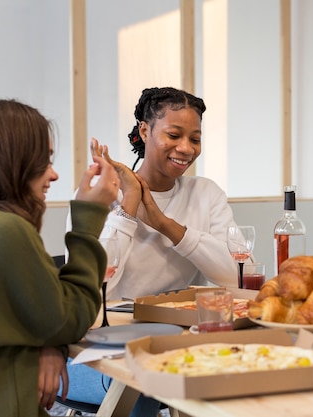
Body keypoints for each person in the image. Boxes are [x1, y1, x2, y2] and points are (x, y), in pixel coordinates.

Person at [62, 86, 240, 414]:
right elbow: (95, 287)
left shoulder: (206, 194)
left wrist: (163, 223)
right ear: (145, 130)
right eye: (174, 134)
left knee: (233, 374)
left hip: (171, 345)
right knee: (148, 383)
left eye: (195, 139)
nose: (185, 148)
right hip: (93, 353)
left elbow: (236, 276)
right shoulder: (100, 193)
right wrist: (128, 210)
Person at [0, 98, 120, 417]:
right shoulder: (4, 230)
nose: (53, 175)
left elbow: (23, 315)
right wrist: (89, 217)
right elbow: (68, 319)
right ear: (10, 163)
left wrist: (48, 343)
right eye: (44, 161)